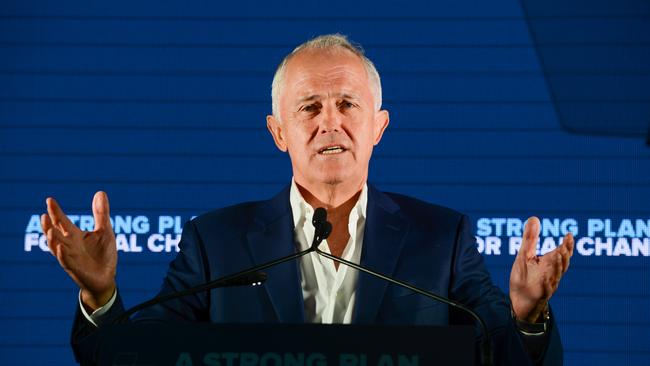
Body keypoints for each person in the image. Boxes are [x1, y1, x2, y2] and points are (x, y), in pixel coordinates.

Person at [42, 34, 574, 365]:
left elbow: (504, 358)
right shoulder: (216, 241)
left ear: (378, 127)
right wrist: (102, 299)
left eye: (347, 103)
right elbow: (138, 360)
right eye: (309, 107)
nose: (330, 123)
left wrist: (526, 318)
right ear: (278, 131)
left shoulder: (442, 237)